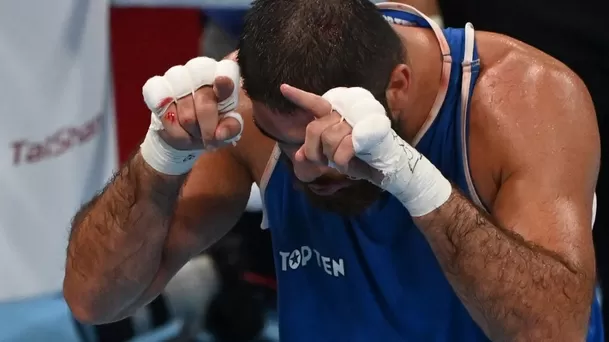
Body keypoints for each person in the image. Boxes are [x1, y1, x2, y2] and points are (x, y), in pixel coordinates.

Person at [64, 0, 604, 340]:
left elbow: (554, 332)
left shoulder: (522, 100)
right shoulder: (245, 106)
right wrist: (161, 155)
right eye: (288, 143)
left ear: (397, 85)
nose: (304, 167)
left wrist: (408, 174)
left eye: (327, 144)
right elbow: (95, 299)